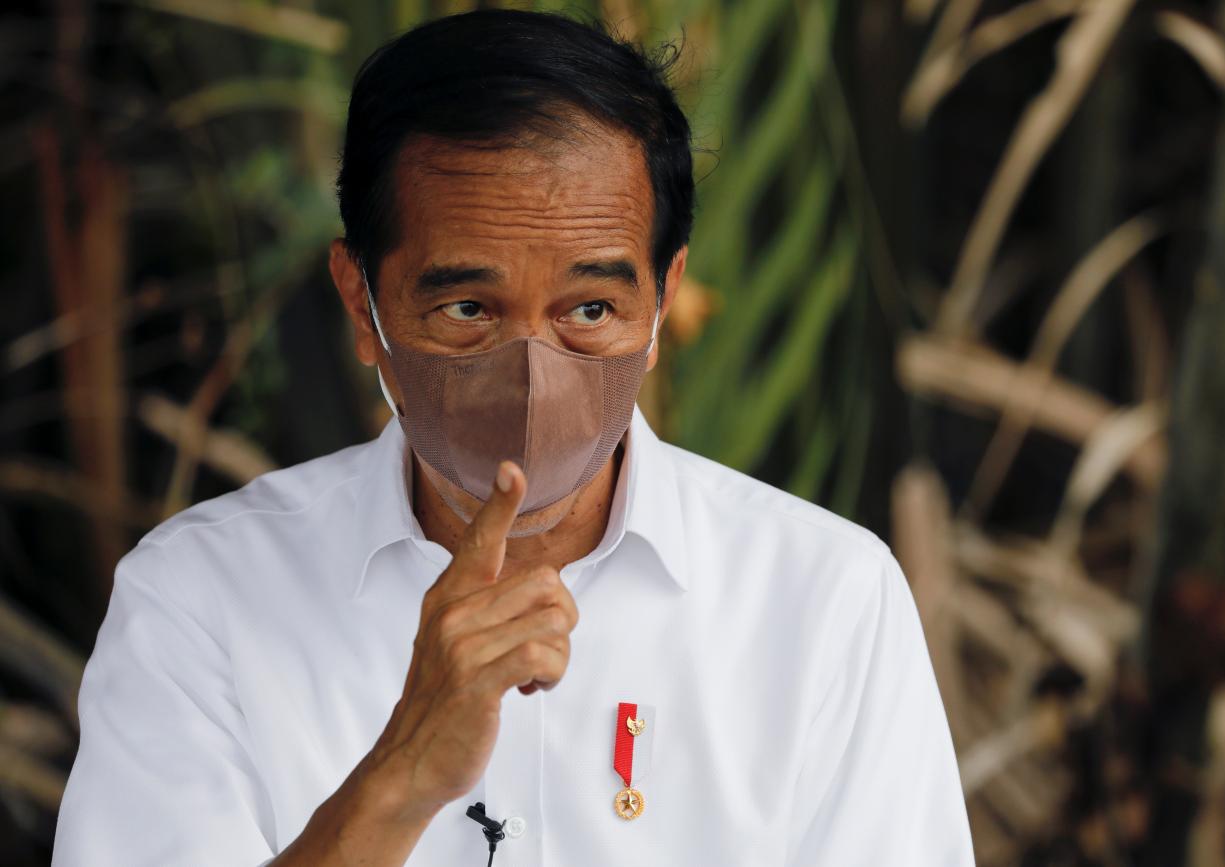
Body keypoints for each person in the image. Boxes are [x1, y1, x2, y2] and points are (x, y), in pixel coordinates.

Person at [51, 9, 974, 866]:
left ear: (663, 302)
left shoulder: (822, 604)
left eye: (589, 308)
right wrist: (400, 776)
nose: (533, 373)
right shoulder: (199, 602)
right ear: (361, 302)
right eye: (465, 306)